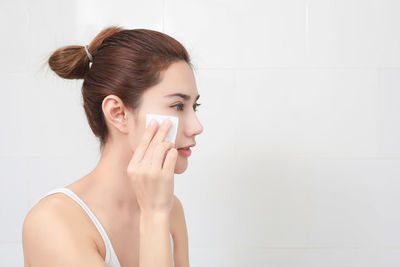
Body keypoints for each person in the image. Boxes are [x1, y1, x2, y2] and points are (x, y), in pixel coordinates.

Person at [22, 25, 203, 267]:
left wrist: (158, 212)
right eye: (178, 106)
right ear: (117, 113)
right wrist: (154, 216)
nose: (197, 126)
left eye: (195, 107)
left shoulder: (171, 208)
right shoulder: (53, 221)